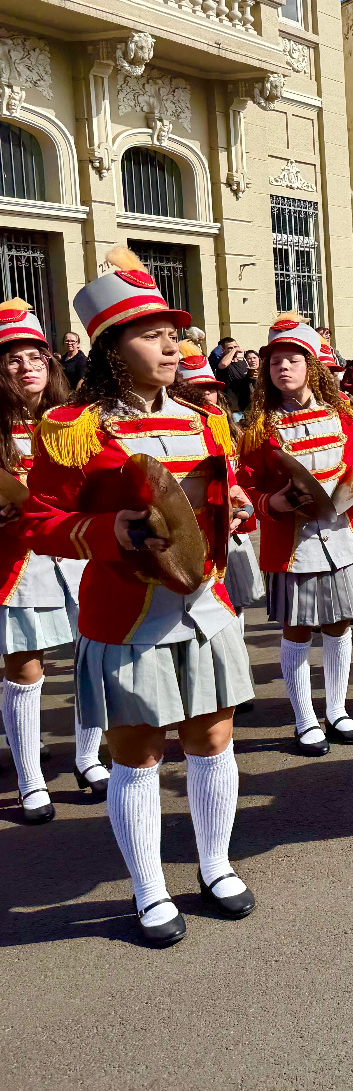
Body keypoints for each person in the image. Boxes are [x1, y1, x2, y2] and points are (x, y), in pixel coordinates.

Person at [27, 247, 255, 944]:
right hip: (127, 614)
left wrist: (233, 504)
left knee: (214, 738)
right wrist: (108, 530)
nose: (170, 343)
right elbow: (40, 519)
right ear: (111, 348)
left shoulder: (205, 419)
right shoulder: (74, 429)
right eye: (150, 332)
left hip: (206, 603)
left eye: (172, 330)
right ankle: (150, 889)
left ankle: (214, 866)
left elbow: (217, 497)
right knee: (138, 751)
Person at [237, 315, 353, 756]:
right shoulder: (258, 428)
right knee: (296, 630)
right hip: (291, 545)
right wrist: (272, 504)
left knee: (338, 627)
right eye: (276, 361)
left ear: (311, 365)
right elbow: (247, 485)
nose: (284, 367)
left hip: (339, 538)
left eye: (293, 359)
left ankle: (336, 708)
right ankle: (304, 718)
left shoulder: (342, 415)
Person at [0, 302, 98, 823]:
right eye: (12, 359)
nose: (26, 366)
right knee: (26, 667)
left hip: (76, 554)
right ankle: (29, 778)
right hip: (19, 563)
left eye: (34, 355)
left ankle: (87, 757)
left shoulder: (75, 419)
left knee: (92, 657)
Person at [171, 343, 266, 614]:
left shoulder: (228, 426)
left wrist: (245, 505)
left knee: (236, 603)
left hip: (234, 529)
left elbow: (242, 476)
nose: (207, 395)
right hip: (197, 536)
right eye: (198, 390)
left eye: (210, 388)